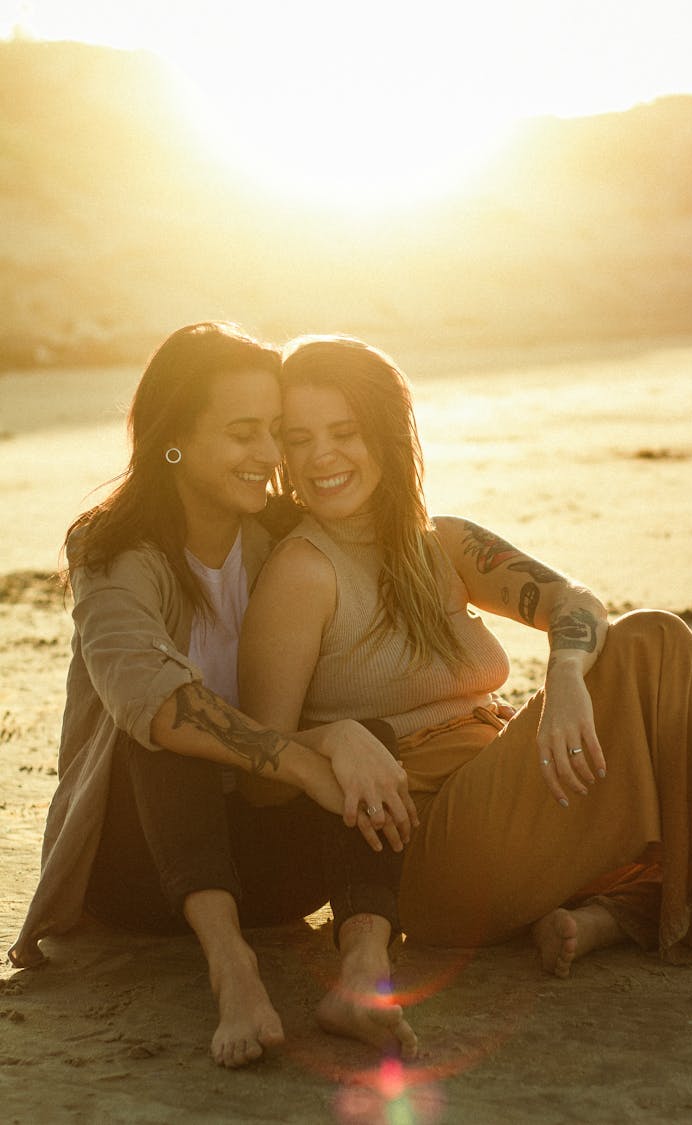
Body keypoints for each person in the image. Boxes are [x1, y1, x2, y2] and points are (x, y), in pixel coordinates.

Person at [238, 332, 692, 979]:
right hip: (431, 851)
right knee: (655, 641)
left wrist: (564, 677)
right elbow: (256, 764)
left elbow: (573, 600)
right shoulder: (303, 571)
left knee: (664, 703)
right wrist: (337, 737)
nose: (320, 457)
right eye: (299, 438)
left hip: (508, 799)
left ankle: (604, 919)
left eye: (344, 431)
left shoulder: (443, 541)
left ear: (387, 434)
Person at [8, 322, 419, 1067]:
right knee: (168, 732)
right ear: (175, 439)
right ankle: (233, 972)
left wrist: (346, 737)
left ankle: (362, 971)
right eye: (243, 434)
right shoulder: (109, 552)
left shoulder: (283, 537)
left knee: (367, 736)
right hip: (137, 878)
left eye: (273, 432)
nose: (271, 456)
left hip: (264, 868)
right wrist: (307, 757)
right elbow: (151, 697)